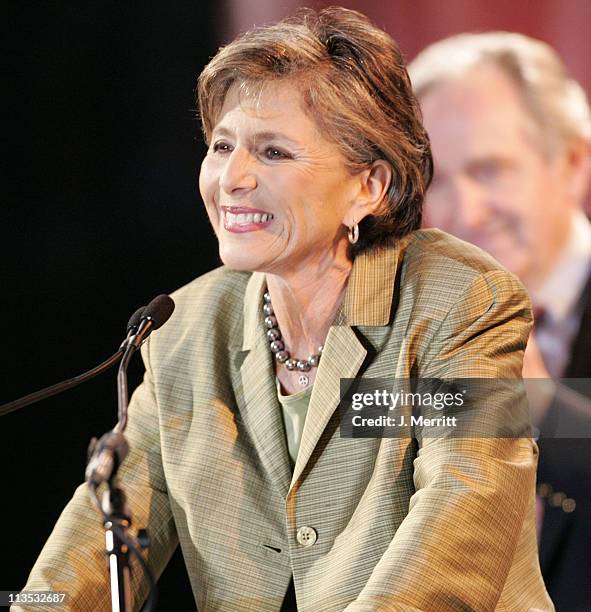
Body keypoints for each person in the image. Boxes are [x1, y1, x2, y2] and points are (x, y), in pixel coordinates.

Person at [16, 9, 552, 611]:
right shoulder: (186, 327)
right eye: (222, 146)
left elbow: (461, 519)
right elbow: (87, 550)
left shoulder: (462, 302)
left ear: (368, 186)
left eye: (272, 152)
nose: (232, 179)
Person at [409, 32, 591, 610]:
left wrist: (535, 403)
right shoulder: (410, 330)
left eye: (489, 170)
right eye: (436, 180)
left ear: (572, 162)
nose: (464, 213)